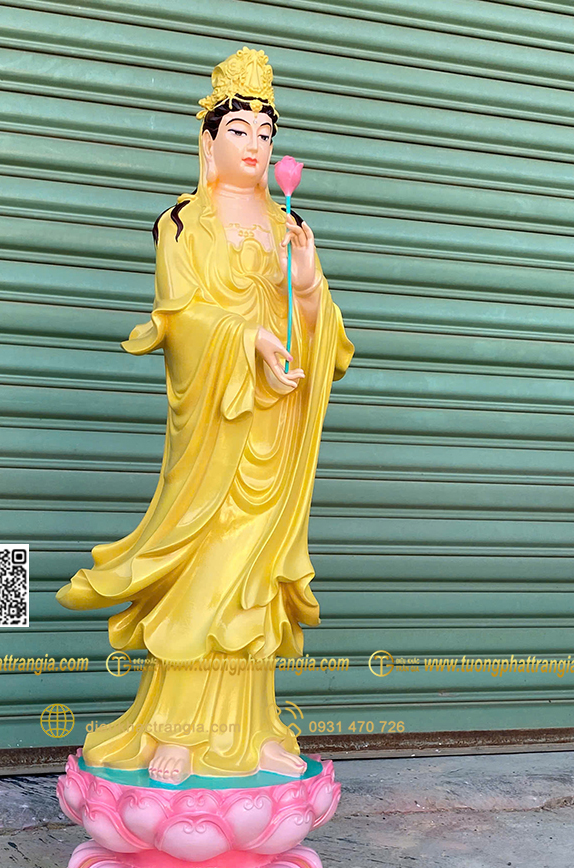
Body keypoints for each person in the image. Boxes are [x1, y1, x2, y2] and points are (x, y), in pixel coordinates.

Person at [56, 48, 354, 784]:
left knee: (254, 581)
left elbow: (327, 339)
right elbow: (180, 320)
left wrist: (307, 290)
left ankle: (251, 732)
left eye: (266, 133)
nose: (255, 146)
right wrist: (245, 338)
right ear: (209, 139)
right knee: (204, 573)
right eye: (239, 131)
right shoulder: (183, 223)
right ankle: (176, 731)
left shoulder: (288, 222)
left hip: (274, 426)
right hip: (218, 426)